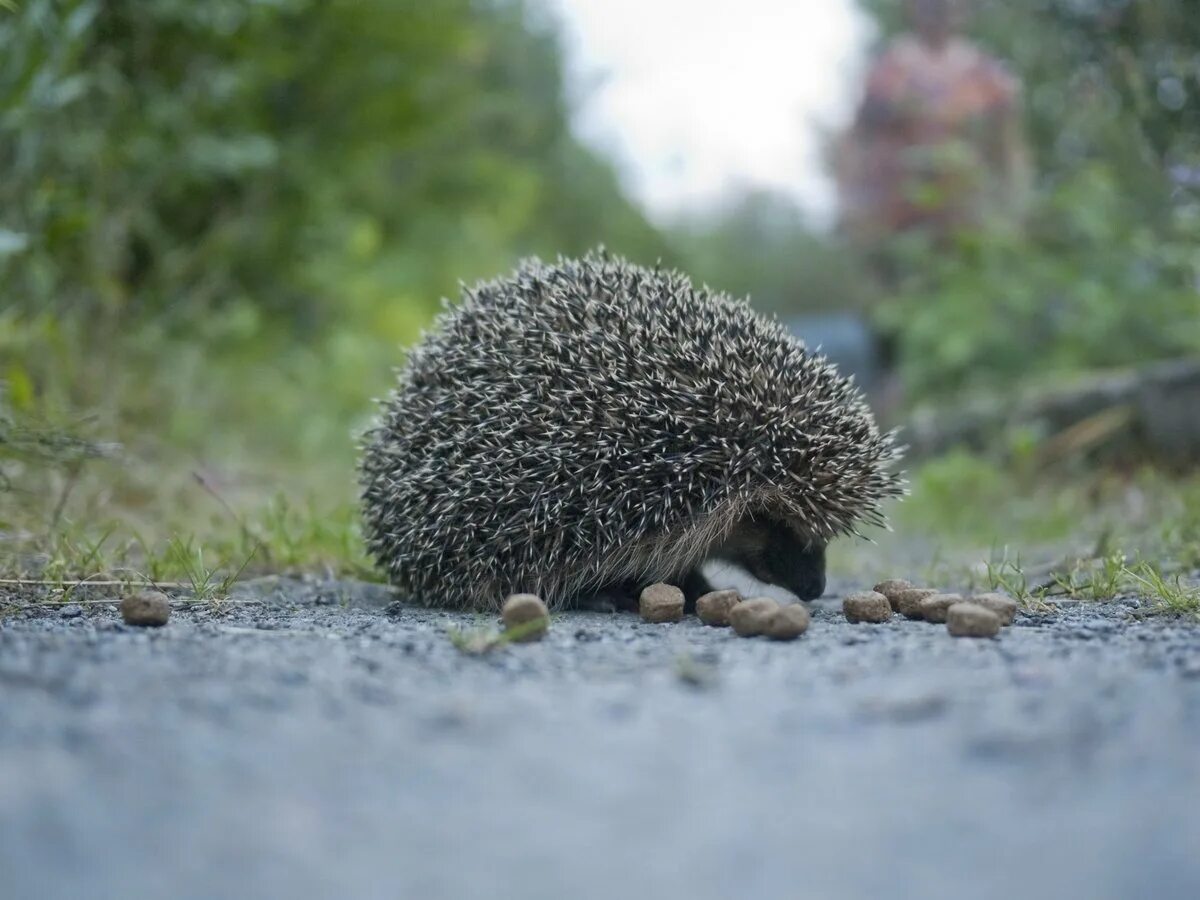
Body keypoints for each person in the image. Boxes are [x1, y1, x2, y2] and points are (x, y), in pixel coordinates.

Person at [838, 0, 1029, 250]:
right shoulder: (890, 68)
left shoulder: (985, 73)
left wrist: (1013, 199)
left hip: (963, 209)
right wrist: (850, 198)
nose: (938, 10)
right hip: (894, 212)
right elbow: (860, 135)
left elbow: (1006, 141)